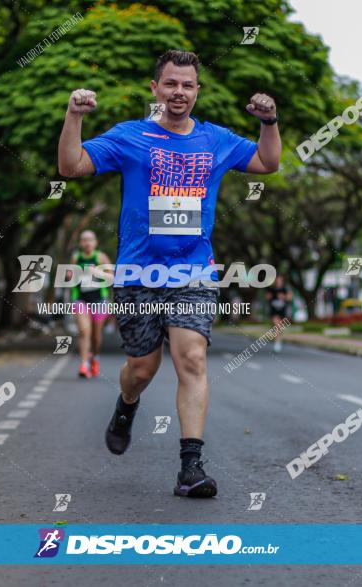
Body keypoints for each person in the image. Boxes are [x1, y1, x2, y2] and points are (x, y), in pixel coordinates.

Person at [58, 49, 281, 497]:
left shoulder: (215, 140)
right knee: (141, 368)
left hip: (193, 271)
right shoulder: (130, 137)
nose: (179, 92)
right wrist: (73, 116)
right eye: (171, 84)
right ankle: (127, 405)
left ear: (198, 91)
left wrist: (269, 123)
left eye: (188, 85)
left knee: (192, 359)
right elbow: (71, 166)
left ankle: (191, 467)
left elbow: (267, 163)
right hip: (138, 273)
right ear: (155, 88)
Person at [68, 230, 112, 378]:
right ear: (81, 243)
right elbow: (70, 278)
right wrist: (71, 276)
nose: (87, 242)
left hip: (99, 300)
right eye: (84, 240)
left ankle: (95, 358)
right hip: (81, 299)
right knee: (84, 332)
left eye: (90, 239)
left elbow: (112, 277)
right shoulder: (76, 258)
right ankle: (84, 364)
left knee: (96, 337)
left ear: (95, 242)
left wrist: (98, 274)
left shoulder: (100, 257)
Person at [265, 274, 293, 352]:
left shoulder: (285, 289)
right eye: (277, 280)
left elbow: (290, 297)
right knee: (277, 326)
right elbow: (267, 297)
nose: (278, 282)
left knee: (279, 328)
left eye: (279, 280)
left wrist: (283, 297)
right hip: (274, 311)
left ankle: (277, 340)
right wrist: (269, 296)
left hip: (283, 311)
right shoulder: (271, 289)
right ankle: (277, 343)